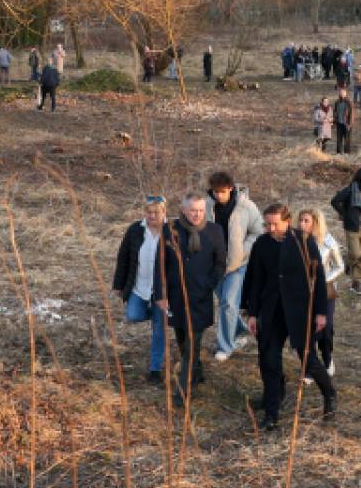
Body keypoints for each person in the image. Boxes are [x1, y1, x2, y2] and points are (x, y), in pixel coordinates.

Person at [241, 203, 336, 430]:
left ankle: (330, 394)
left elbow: (319, 278)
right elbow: (255, 280)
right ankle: (271, 410)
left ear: (287, 220)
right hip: (271, 310)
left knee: (307, 359)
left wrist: (321, 311)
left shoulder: (303, 241)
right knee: (269, 358)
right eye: (267, 224)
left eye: (275, 223)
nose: (271, 228)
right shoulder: (262, 244)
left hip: (298, 310)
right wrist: (252, 313)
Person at [156, 194, 224, 404]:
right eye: (193, 210)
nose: (197, 214)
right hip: (176, 296)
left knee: (193, 342)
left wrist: (207, 284)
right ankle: (198, 371)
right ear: (184, 210)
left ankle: (183, 390)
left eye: (201, 210)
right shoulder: (170, 230)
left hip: (200, 297)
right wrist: (161, 294)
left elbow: (220, 263)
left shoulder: (214, 231)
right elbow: (159, 264)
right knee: (183, 339)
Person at [205, 172, 264, 362]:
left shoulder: (246, 206)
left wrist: (243, 251)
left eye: (222, 192)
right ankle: (240, 330)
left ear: (231, 188)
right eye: (215, 192)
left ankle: (225, 346)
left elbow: (258, 231)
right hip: (213, 264)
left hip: (237, 265)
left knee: (229, 303)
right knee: (225, 303)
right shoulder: (205, 205)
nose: (218, 195)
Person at [112, 197, 170, 384]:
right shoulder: (135, 230)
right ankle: (156, 316)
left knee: (159, 330)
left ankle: (155, 369)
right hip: (139, 286)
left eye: (156, 212)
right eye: (149, 212)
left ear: (164, 213)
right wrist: (119, 285)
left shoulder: (172, 231)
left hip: (162, 292)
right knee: (133, 314)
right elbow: (124, 258)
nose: (152, 216)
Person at [297, 207, 345, 379]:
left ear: (315, 223)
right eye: (300, 220)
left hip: (324, 292)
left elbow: (340, 266)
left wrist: (322, 280)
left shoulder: (328, 242)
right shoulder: (296, 241)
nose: (302, 224)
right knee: (307, 330)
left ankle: (327, 358)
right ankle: (311, 367)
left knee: (325, 327)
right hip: (303, 292)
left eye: (306, 221)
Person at [331, 166, 361, 272]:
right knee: (356, 254)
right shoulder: (350, 190)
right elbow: (334, 201)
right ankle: (348, 262)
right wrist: (345, 215)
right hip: (352, 227)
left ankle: (357, 279)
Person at [332, 88, 355, 154]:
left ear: (345, 94)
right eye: (340, 93)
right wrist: (334, 122)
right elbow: (335, 112)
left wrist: (349, 124)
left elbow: (352, 114)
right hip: (339, 123)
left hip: (346, 124)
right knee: (339, 139)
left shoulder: (349, 102)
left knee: (347, 140)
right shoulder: (337, 102)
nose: (342, 94)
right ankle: (338, 153)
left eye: (343, 93)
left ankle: (347, 153)